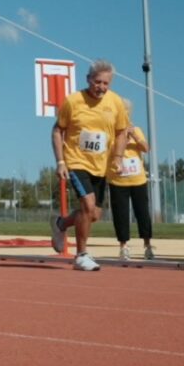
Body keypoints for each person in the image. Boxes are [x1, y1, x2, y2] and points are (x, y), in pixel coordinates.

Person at [50, 60, 130, 270]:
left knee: (94, 214)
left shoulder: (116, 103)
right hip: (76, 161)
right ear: (88, 80)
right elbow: (58, 130)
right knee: (87, 204)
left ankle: (61, 224)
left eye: (106, 83)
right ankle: (81, 255)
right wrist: (60, 162)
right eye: (97, 82)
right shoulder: (73, 101)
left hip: (101, 165)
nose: (101, 87)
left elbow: (122, 131)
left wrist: (118, 157)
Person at [107, 126, 155, 260]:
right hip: (118, 180)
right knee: (120, 214)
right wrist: (120, 143)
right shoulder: (110, 132)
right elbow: (107, 152)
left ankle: (147, 246)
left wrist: (134, 136)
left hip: (137, 179)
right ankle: (123, 247)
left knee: (143, 213)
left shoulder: (137, 130)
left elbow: (146, 148)